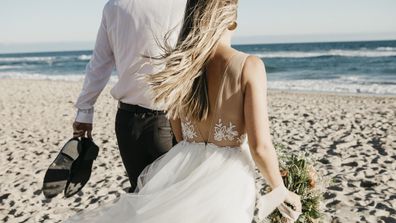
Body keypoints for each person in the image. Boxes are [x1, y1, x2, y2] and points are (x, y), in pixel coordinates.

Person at [66, 0, 302, 222]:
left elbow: (178, 132)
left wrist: (84, 112)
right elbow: (259, 146)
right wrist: (280, 190)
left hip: (171, 155)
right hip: (228, 177)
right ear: (232, 22)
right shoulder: (249, 65)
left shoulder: (179, 67)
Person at [72, 0, 188, 192]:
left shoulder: (114, 6)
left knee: (140, 196)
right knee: (173, 199)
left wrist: (85, 111)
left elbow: (99, 65)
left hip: (128, 123)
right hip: (172, 120)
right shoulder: (185, 3)